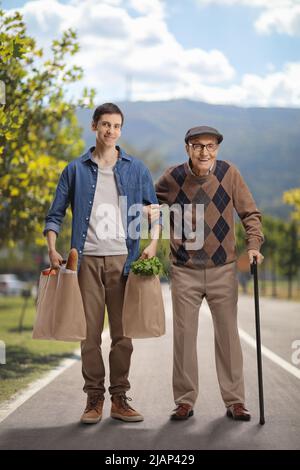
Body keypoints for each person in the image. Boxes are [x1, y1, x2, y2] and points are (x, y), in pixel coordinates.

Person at [44, 103, 159, 424]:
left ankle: (120, 398)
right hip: (86, 261)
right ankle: (94, 398)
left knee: (123, 335)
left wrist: (151, 243)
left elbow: (154, 211)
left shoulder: (136, 169)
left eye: (116, 126)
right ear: (95, 127)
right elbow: (54, 214)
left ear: (121, 130)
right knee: (89, 334)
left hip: (124, 262)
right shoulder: (75, 169)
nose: (111, 131)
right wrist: (53, 248)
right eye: (105, 124)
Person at [155, 125, 264, 421]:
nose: (205, 152)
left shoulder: (229, 174)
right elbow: (150, 204)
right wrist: (155, 226)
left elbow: (249, 214)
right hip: (184, 270)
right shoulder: (172, 177)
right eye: (198, 146)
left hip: (223, 270)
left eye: (211, 146)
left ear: (217, 148)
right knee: (184, 337)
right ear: (187, 148)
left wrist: (253, 245)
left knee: (228, 336)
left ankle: (235, 401)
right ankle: (185, 401)